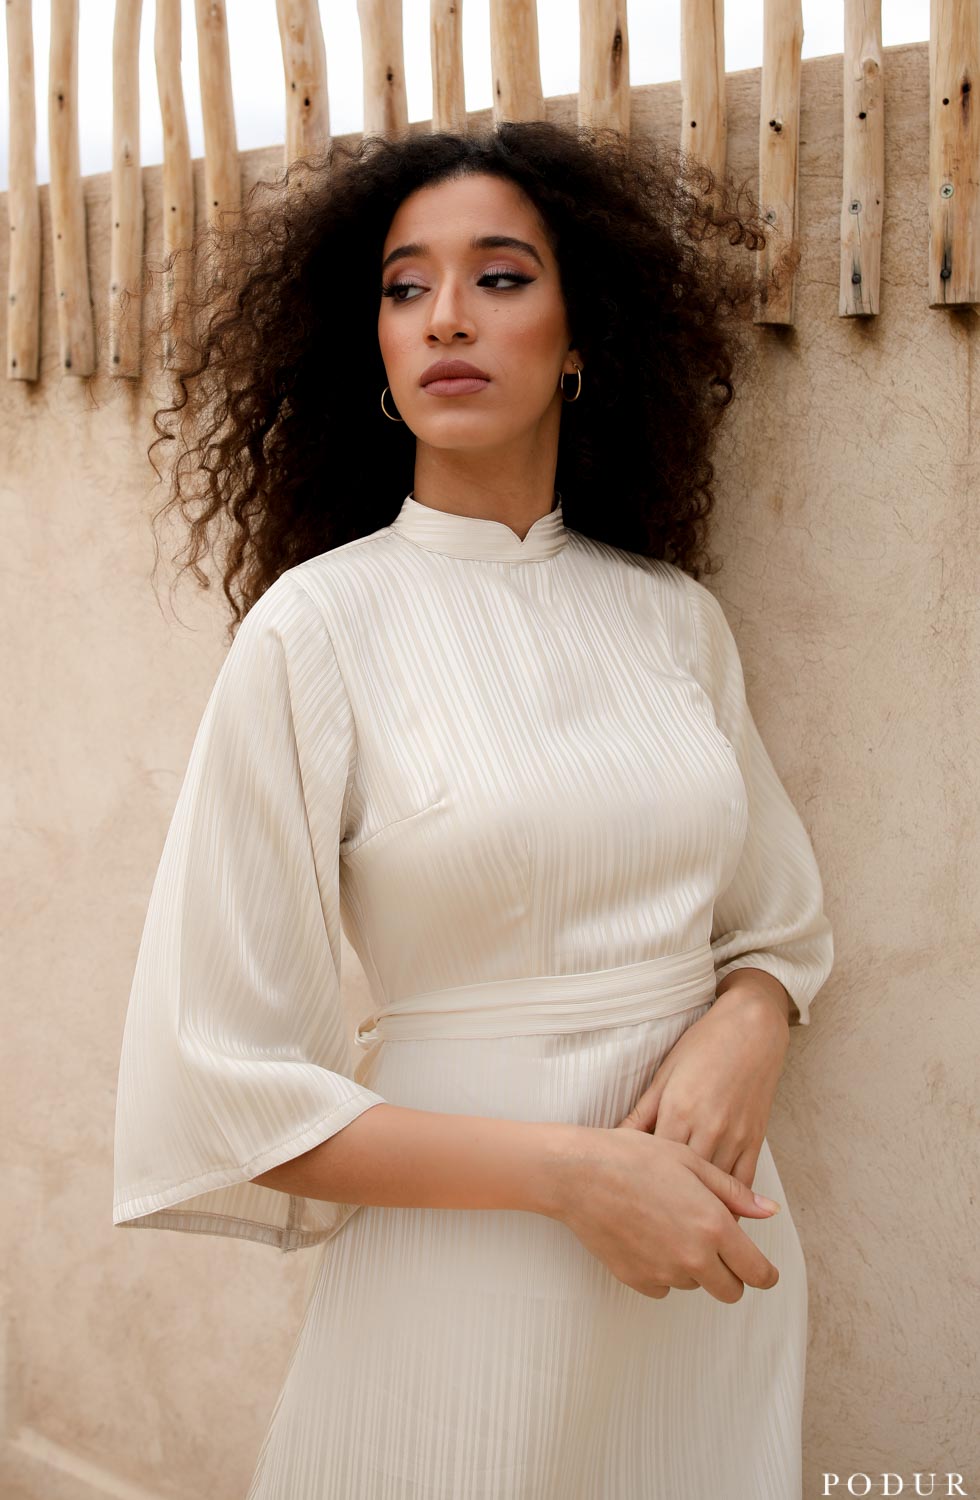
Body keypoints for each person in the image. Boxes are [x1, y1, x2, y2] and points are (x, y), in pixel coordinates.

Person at [113, 120, 833, 1499]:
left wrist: (749, 1023)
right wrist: (573, 1176)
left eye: (501, 277)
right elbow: (223, 1082)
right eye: (406, 287)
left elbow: (776, 926)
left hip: (710, 1247)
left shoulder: (673, 619)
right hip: (462, 1266)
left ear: (581, 339)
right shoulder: (314, 629)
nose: (446, 315)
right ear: (376, 348)